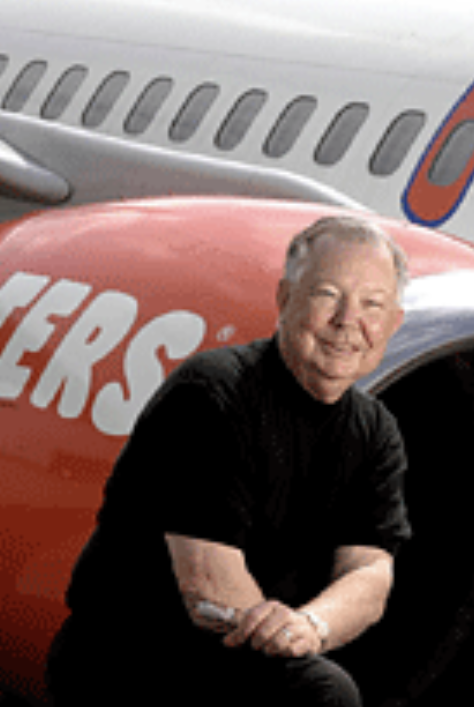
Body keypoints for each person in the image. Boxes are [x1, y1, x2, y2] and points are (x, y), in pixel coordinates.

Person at [48, 215, 412, 707]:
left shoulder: (375, 432)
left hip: (238, 656)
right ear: (284, 300)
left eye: (372, 305)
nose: (348, 322)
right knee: (323, 692)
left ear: (393, 324)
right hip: (132, 659)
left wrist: (311, 626)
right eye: (328, 295)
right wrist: (288, 641)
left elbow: (368, 574)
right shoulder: (212, 395)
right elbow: (207, 586)